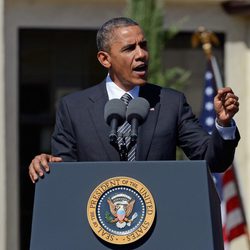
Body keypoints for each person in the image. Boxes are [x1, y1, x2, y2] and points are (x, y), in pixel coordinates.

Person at [28, 17, 240, 183]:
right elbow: (66, 172)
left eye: (143, 45)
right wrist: (47, 165)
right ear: (105, 59)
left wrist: (223, 124)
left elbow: (213, 160)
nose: (142, 54)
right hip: (98, 227)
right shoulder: (74, 107)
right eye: (130, 48)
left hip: (159, 225)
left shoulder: (170, 103)